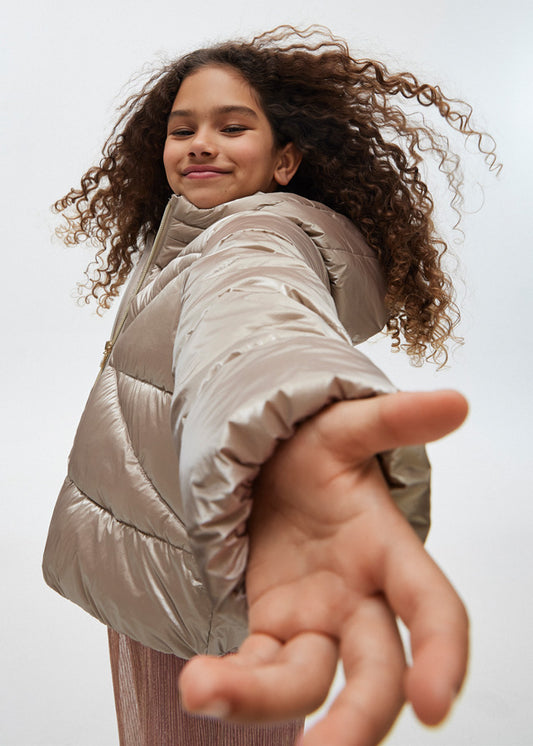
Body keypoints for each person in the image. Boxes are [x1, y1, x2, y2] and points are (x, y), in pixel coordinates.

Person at [42, 25, 498, 746]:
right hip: (161, 574)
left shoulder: (254, 238)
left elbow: (256, 323)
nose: (200, 143)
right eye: (182, 128)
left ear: (284, 161)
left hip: (207, 592)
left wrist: (300, 415)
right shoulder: (185, 237)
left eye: (232, 126)